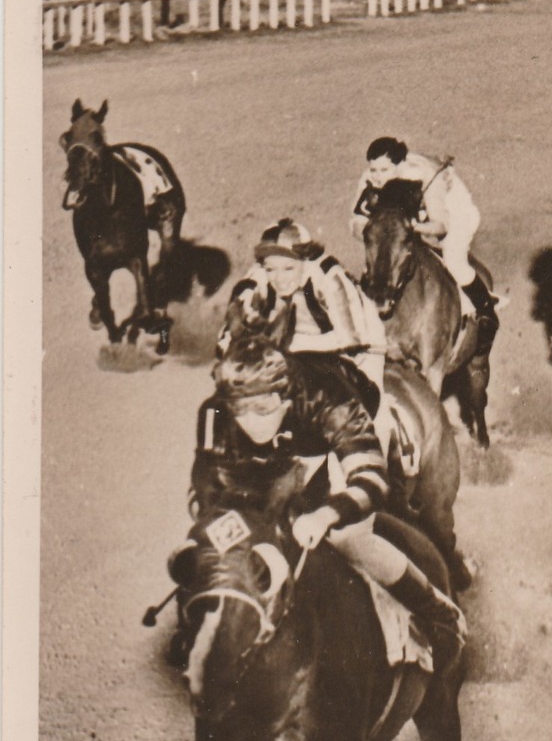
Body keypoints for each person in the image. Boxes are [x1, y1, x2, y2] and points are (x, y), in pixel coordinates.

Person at [180, 336, 464, 666]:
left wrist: (325, 515)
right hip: (285, 448)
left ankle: (439, 613)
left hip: (337, 438)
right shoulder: (217, 409)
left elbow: (371, 479)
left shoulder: (330, 399)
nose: (251, 422)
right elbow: (208, 488)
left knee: (349, 538)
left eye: (262, 409)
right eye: (241, 410)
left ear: (284, 397)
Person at [218, 218, 395, 452]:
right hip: (297, 353)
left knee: (372, 413)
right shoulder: (258, 277)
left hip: (361, 349)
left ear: (305, 259)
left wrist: (290, 347)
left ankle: (393, 460)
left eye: (288, 268)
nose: (279, 278)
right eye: (271, 269)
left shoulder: (329, 277)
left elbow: (351, 339)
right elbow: (229, 332)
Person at [353, 136, 498, 350]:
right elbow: (356, 224)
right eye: (373, 170)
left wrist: (413, 228)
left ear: (400, 166)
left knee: (453, 260)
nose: (377, 178)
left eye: (384, 171)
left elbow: (440, 225)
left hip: (452, 213)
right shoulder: (370, 179)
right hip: (410, 218)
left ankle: (485, 310)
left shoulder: (426, 177)